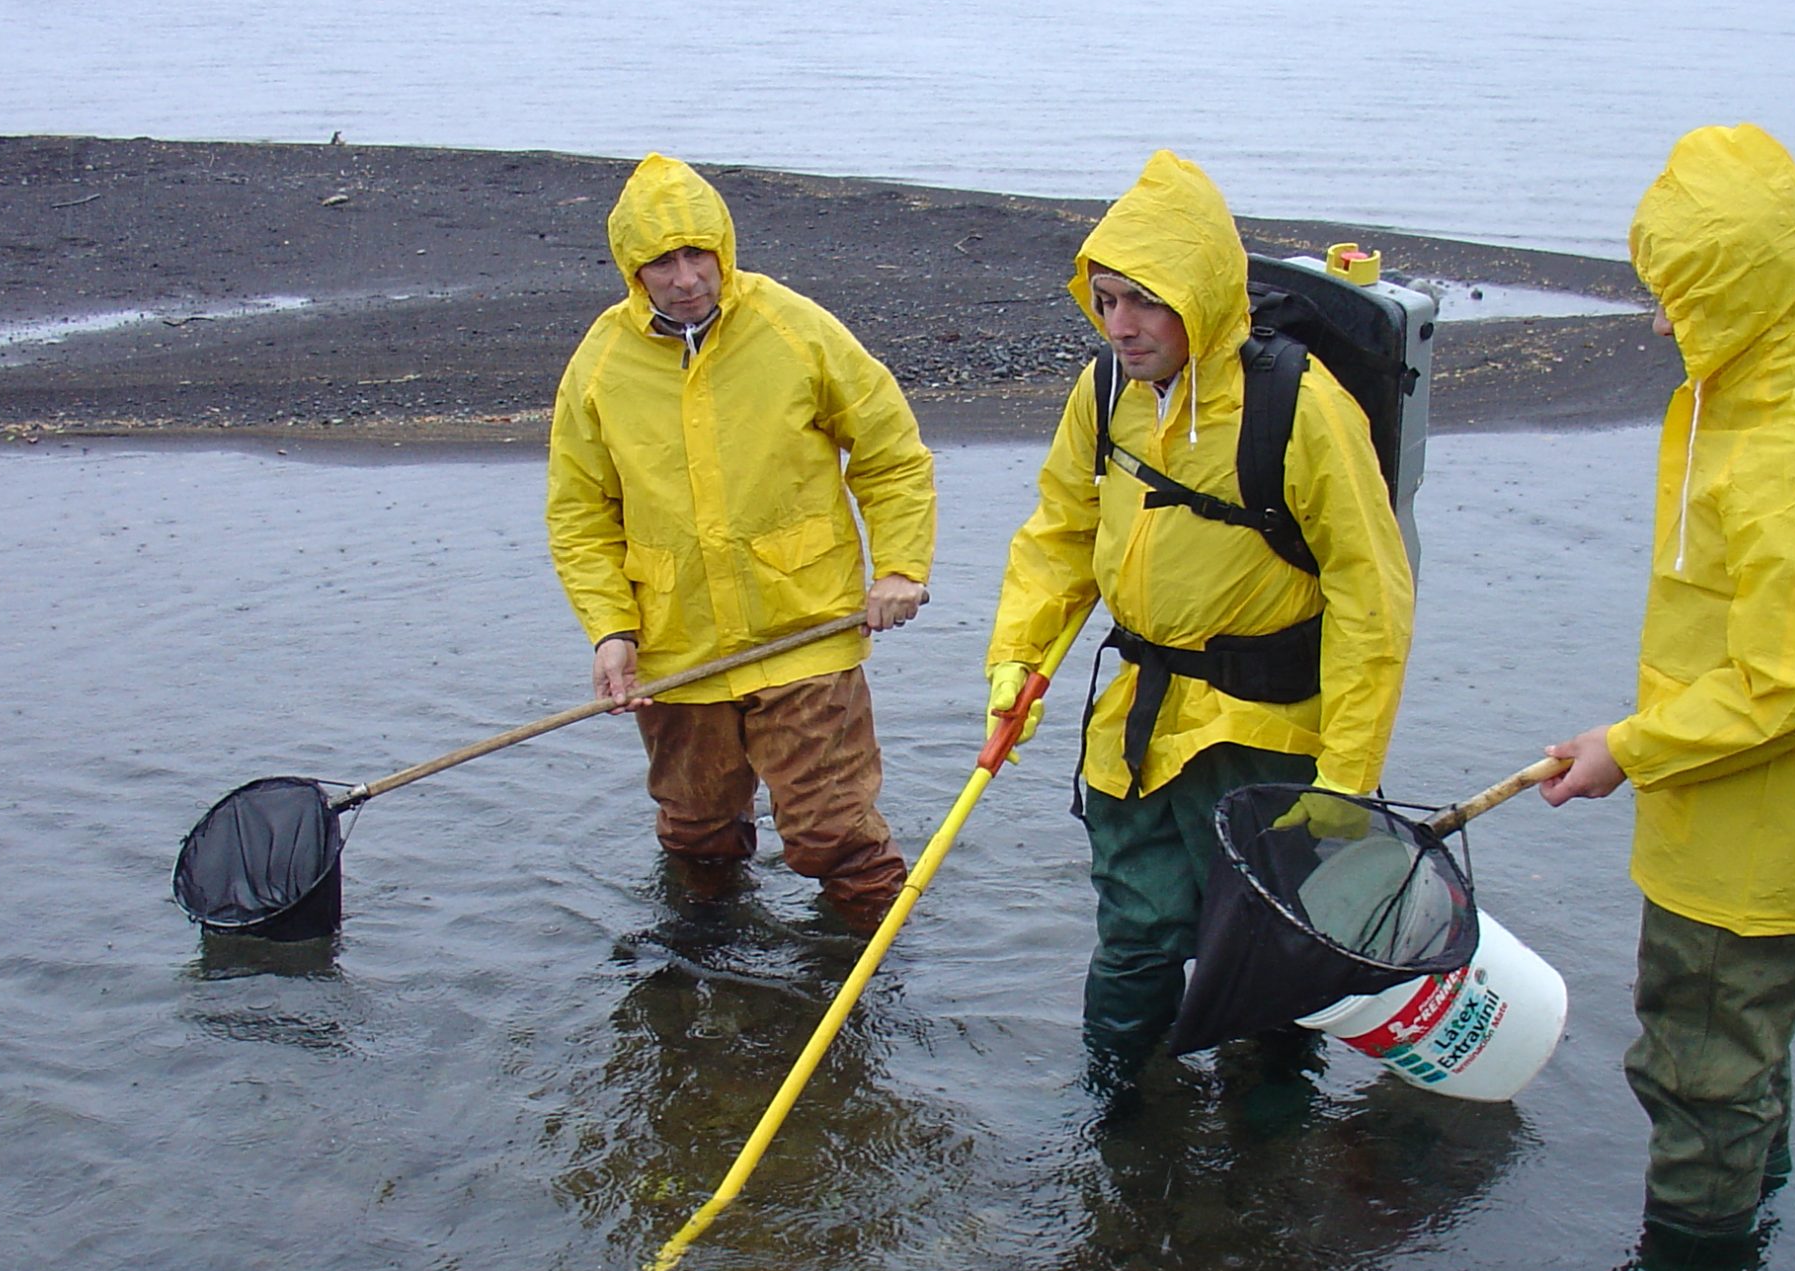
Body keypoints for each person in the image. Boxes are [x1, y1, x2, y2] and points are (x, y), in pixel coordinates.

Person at [1541, 123, 1795, 1253]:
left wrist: (1631, 747)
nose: (1661, 320)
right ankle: (1760, 1230)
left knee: (1699, 1063)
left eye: (1677, 291)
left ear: (1742, 278)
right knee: (1748, 1050)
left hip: (1755, 834)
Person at [983, 150, 1413, 1073]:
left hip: (1261, 740)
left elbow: (1371, 596)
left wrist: (1345, 778)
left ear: (1204, 298)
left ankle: (1264, 1159)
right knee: (1136, 937)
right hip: (1134, 726)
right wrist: (1016, 663)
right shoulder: (1105, 393)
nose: (1121, 326)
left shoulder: (1303, 410)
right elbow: (1060, 534)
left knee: (1262, 962)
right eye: (1105, 299)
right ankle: (1118, 1120)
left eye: (1145, 300)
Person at [547, 152, 937, 929]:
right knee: (696, 837)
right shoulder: (600, 362)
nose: (687, 277)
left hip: (806, 632)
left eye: (699, 255)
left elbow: (890, 451)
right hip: (677, 649)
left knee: (835, 840)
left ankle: (866, 988)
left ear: (723, 250)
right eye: (664, 261)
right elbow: (579, 511)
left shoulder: (796, 329)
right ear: (634, 268)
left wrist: (899, 566)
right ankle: (704, 973)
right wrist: (610, 631)